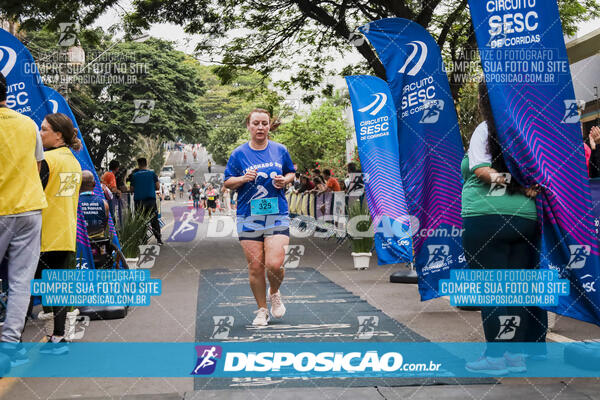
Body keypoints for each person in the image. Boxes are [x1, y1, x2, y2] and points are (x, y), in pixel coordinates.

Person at [462, 81, 546, 375]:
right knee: (516, 289)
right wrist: (524, 187)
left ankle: (496, 358)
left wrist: (515, 184)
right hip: (526, 220)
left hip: (486, 218)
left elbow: (483, 172)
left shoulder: (486, 128)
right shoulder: (528, 129)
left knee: (492, 290)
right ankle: (515, 355)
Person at [224, 108, 296, 326]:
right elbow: (227, 182)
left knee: (274, 264)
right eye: (256, 123)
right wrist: (243, 178)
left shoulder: (280, 150)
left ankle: (274, 292)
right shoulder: (239, 154)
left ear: (269, 126)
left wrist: (286, 180)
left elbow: (291, 172)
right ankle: (261, 310)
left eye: (264, 123)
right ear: (248, 126)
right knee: (255, 267)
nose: (260, 127)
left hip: (277, 214)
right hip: (249, 215)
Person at [0, 73, 48, 365]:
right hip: (29, 210)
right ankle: (8, 347)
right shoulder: (29, 124)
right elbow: (39, 166)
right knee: (21, 282)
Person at [35, 113, 83, 355]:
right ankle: (58, 338)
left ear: (58, 135)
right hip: (65, 234)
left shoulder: (47, 161)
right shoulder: (74, 162)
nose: (40, 133)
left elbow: (33, 194)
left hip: (42, 235)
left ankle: (13, 347)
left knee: (23, 289)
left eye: (44, 129)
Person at [130, 158, 163, 245]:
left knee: (141, 221)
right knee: (154, 220)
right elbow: (157, 187)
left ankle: (143, 239)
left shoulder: (135, 175)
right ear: (146, 164)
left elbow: (131, 189)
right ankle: (159, 239)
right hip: (151, 201)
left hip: (139, 202)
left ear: (138, 165)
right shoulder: (152, 174)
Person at [79, 170, 109, 238]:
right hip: (99, 243)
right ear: (94, 184)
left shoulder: (73, 204)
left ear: (78, 184)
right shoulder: (104, 204)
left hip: (80, 244)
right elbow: (104, 226)